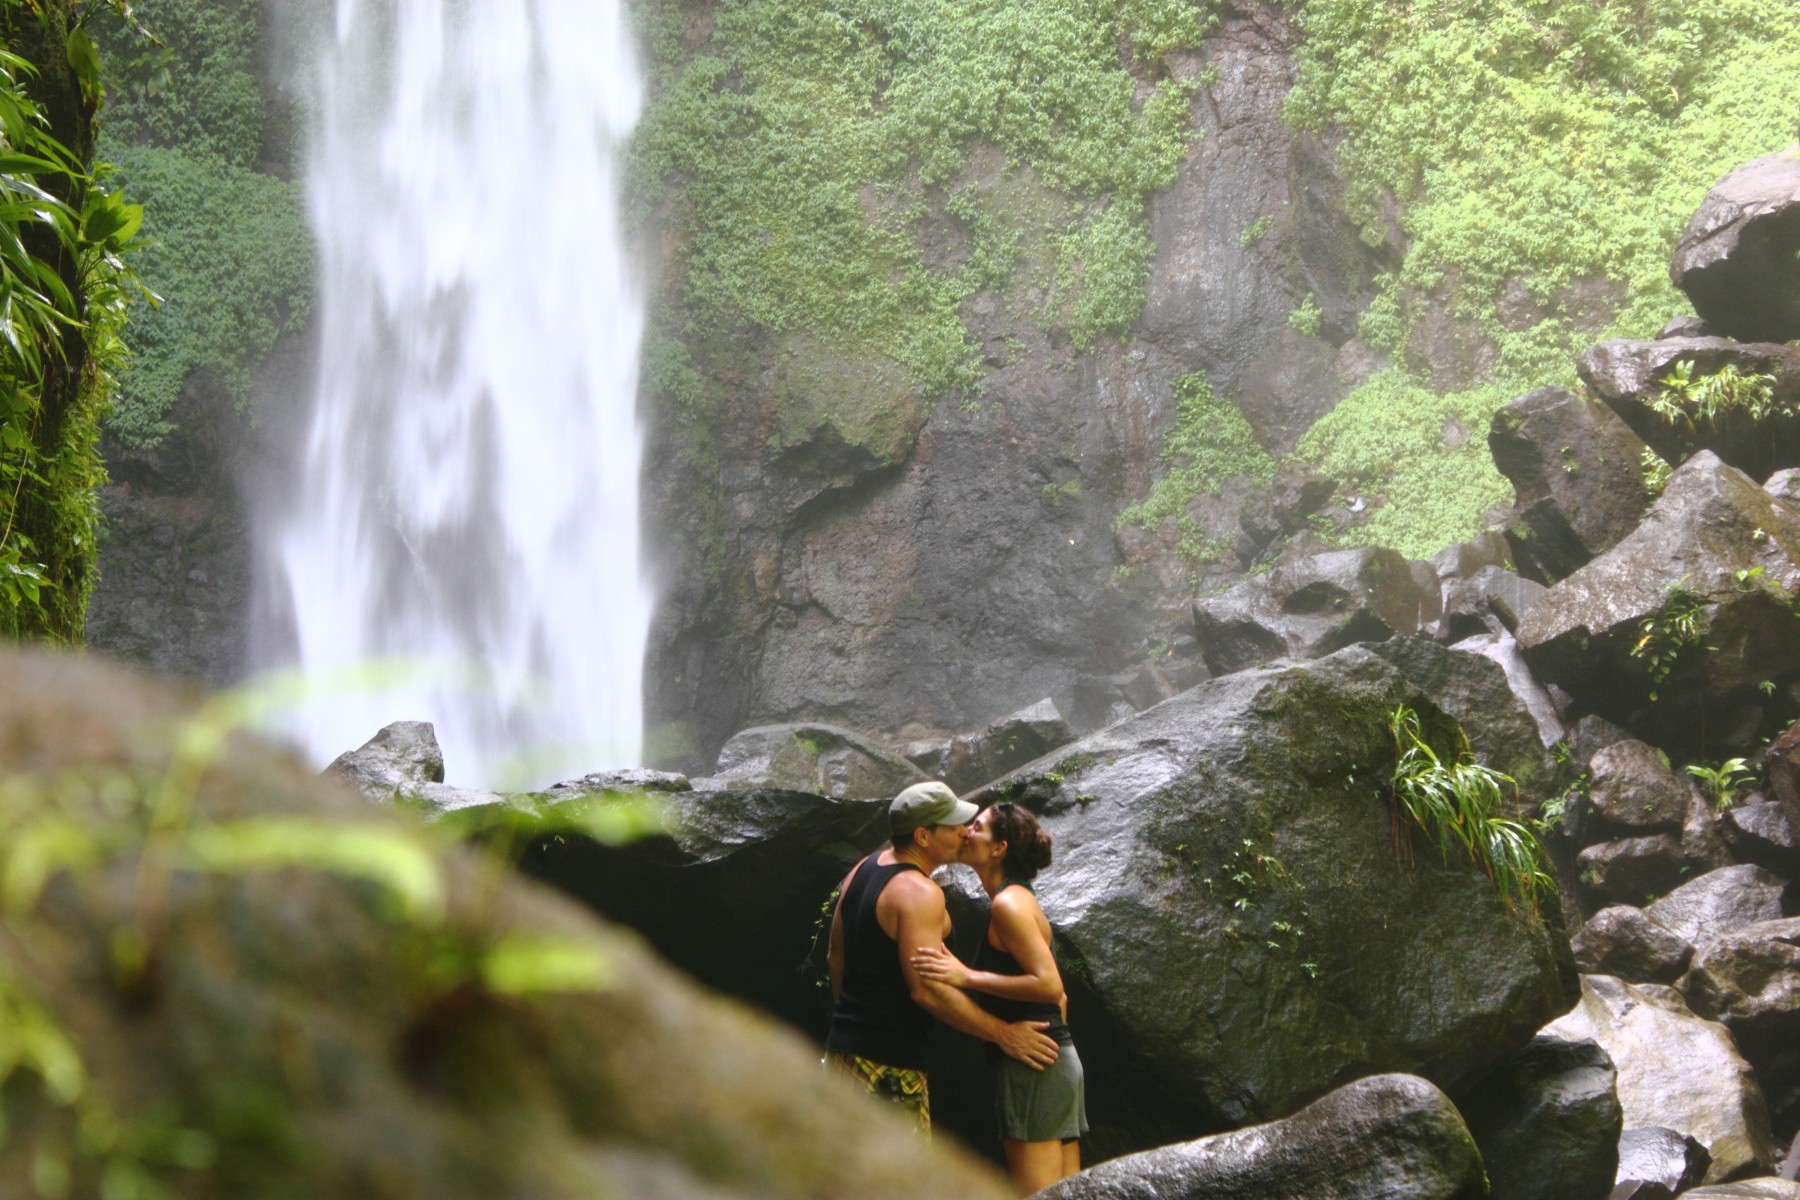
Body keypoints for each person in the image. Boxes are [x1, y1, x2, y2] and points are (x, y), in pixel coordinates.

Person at [825, 781, 1061, 1135]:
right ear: (922, 836)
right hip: (889, 1069)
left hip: (841, 1054)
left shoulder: (862, 868)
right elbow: (928, 991)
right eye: (953, 827)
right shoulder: (920, 893)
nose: (965, 833)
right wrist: (1005, 1034)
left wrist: (854, 1028)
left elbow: (834, 958)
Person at [911, 801, 1087, 1194]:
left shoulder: (1009, 904)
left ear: (998, 849)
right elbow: (1060, 1004)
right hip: (1052, 1058)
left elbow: (1050, 986)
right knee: (1071, 1191)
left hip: (1034, 1064)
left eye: (977, 827)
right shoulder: (1020, 898)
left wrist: (967, 976)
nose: (965, 831)